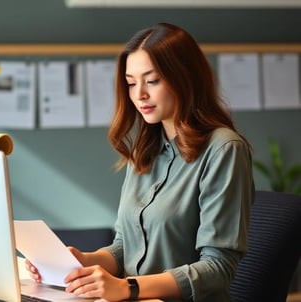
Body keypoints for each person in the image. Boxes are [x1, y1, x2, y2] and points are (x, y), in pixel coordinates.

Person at [26, 22, 254, 302]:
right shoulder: (147, 149)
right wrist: (85, 262)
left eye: (152, 81)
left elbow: (218, 267)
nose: (139, 94)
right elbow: (125, 246)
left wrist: (127, 287)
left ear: (186, 78)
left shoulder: (224, 149)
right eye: (131, 83)